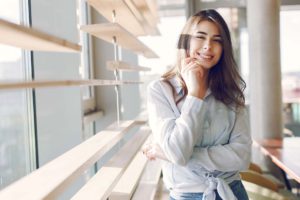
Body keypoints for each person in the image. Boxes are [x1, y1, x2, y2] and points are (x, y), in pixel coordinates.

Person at [142, 9, 252, 200]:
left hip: (232, 192)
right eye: (200, 37)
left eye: (217, 40)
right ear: (186, 41)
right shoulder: (160, 90)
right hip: (185, 195)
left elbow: (242, 156)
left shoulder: (231, 93)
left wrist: (169, 154)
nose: (208, 46)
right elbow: (177, 152)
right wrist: (195, 95)